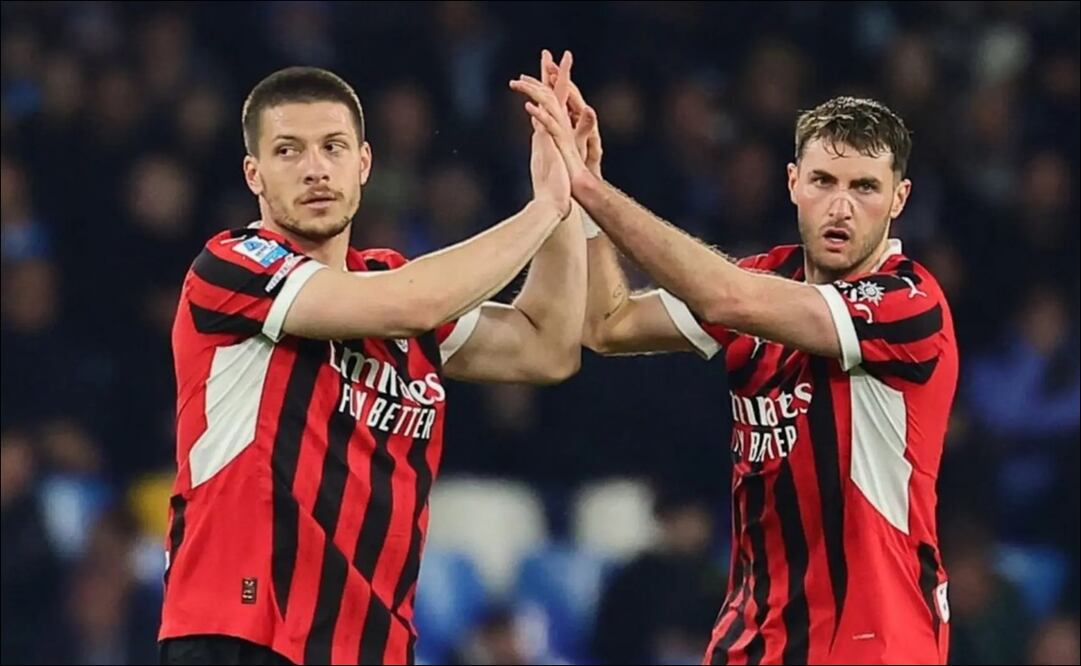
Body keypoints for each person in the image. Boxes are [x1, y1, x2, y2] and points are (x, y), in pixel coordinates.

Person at [511, 57, 959, 664]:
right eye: (824, 181)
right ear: (793, 182)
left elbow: (726, 296)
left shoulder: (910, 304)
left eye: (864, 188)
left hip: (872, 640)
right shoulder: (767, 277)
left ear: (899, 198)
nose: (841, 206)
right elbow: (608, 324)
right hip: (752, 640)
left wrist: (594, 189)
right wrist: (585, 192)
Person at [159, 53, 586, 666]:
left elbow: (547, 346)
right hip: (245, 631)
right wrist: (540, 210)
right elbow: (412, 305)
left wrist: (567, 194)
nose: (314, 169)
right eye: (288, 152)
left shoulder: (387, 278)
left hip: (371, 645)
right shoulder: (233, 266)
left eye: (333, 147)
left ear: (364, 164)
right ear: (253, 174)